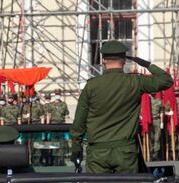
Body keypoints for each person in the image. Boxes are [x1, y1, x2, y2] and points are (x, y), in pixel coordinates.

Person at [70, 40, 173, 173]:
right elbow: (166, 81)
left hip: (98, 152)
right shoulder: (136, 82)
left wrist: (76, 147)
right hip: (126, 151)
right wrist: (146, 64)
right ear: (124, 61)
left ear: (103, 60)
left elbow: (79, 121)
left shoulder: (91, 86)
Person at [150, 93, 164, 161]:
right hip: (150, 120)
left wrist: (161, 122)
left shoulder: (159, 101)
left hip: (157, 120)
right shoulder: (147, 101)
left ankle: (156, 153)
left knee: (157, 137)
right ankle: (151, 152)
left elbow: (161, 112)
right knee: (151, 137)